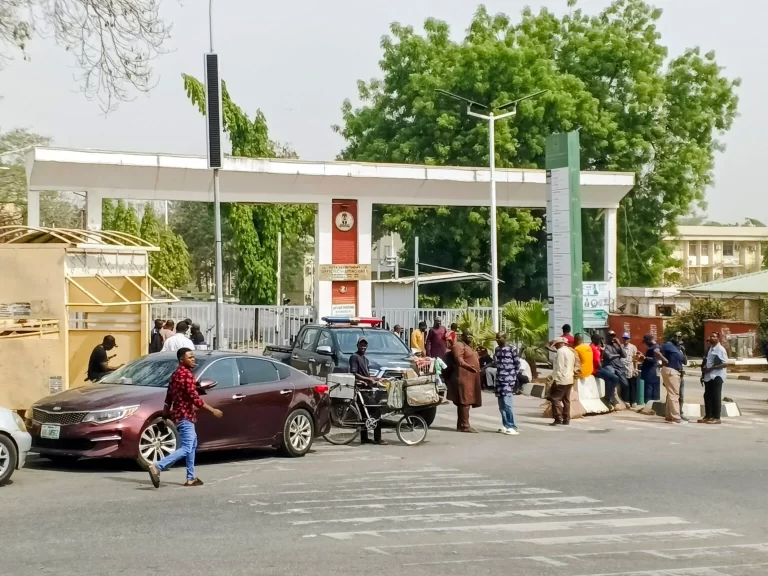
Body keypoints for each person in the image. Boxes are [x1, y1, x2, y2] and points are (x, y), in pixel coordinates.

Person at [147, 348, 223, 488]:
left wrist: (165, 415)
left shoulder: (175, 375)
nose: (193, 359)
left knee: (192, 445)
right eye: (190, 357)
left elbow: (168, 397)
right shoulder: (187, 375)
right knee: (188, 447)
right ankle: (157, 466)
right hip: (185, 416)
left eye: (193, 357)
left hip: (179, 415)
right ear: (182, 360)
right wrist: (213, 410)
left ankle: (191, 478)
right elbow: (195, 399)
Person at [348, 337, 387, 445]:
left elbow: (367, 375)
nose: (363, 347)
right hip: (360, 390)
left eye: (365, 345)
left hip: (367, 389)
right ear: (357, 345)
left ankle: (364, 438)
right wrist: (367, 379)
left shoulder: (365, 359)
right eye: (361, 345)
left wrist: (377, 379)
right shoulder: (354, 357)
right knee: (376, 411)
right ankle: (377, 438)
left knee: (365, 414)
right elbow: (354, 373)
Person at [446, 329, 482, 433]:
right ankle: (464, 425)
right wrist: (467, 367)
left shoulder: (467, 346)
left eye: (471, 335)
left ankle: (461, 424)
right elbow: (459, 359)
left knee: (465, 402)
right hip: (462, 378)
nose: (470, 337)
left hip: (469, 379)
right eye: (468, 335)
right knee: (464, 402)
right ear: (462, 336)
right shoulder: (459, 345)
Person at [494, 332, 521, 435]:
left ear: (505, 338)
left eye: (499, 338)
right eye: (496, 338)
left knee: (507, 403)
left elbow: (517, 364)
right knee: (501, 405)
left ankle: (511, 425)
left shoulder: (512, 349)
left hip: (508, 379)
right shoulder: (497, 350)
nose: (497, 340)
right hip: (499, 379)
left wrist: (512, 377)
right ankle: (505, 425)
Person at [700, 331, 728, 424]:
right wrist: (703, 374)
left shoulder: (720, 349)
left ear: (718, 339)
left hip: (717, 375)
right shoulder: (710, 349)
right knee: (707, 396)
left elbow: (724, 363)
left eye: (714, 336)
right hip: (708, 376)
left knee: (716, 396)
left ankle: (716, 417)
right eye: (711, 336)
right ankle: (708, 415)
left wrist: (711, 368)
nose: (711, 338)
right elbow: (706, 362)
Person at [659, 334, 687, 424]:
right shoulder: (668, 345)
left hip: (677, 372)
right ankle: (676, 417)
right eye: (676, 336)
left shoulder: (678, 348)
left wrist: (683, 351)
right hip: (671, 370)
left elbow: (685, 362)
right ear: (672, 337)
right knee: (674, 395)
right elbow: (656, 351)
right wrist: (664, 359)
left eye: (680, 337)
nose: (678, 338)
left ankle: (669, 416)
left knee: (671, 394)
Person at [548, 337, 576, 426]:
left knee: (555, 399)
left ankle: (558, 418)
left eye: (556, 345)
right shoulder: (571, 352)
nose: (555, 347)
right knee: (566, 400)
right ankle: (566, 419)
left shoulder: (560, 352)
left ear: (559, 344)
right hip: (570, 378)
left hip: (561, 379)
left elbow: (559, 367)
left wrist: (555, 379)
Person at [598, 331, 628, 409]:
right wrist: (618, 355)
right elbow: (609, 356)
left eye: (614, 335)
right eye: (611, 336)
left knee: (625, 384)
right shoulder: (605, 346)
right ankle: (609, 397)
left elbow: (624, 355)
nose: (612, 337)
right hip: (609, 365)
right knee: (612, 377)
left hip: (618, 366)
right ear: (607, 336)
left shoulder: (616, 345)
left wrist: (619, 344)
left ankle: (622, 398)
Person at [639, 335, 662, 402]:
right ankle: (653, 404)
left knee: (649, 387)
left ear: (649, 340)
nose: (645, 344)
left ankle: (648, 404)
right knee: (654, 387)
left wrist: (645, 358)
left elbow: (654, 360)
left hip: (650, 370)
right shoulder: (655, 347)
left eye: (646, 342)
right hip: (654, 369)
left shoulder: (654, 348)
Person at [621, 332, 639, 407]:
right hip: (623, 369)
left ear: (629, 339)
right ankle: (626, 400)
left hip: (631, 368)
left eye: (627, 338)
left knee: (632, 386)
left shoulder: (633, 347)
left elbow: (635, 359)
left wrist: (636, 369)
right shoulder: (620, 347)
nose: (625, 340)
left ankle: (633, 401)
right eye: (624, 338)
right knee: (625, 386)